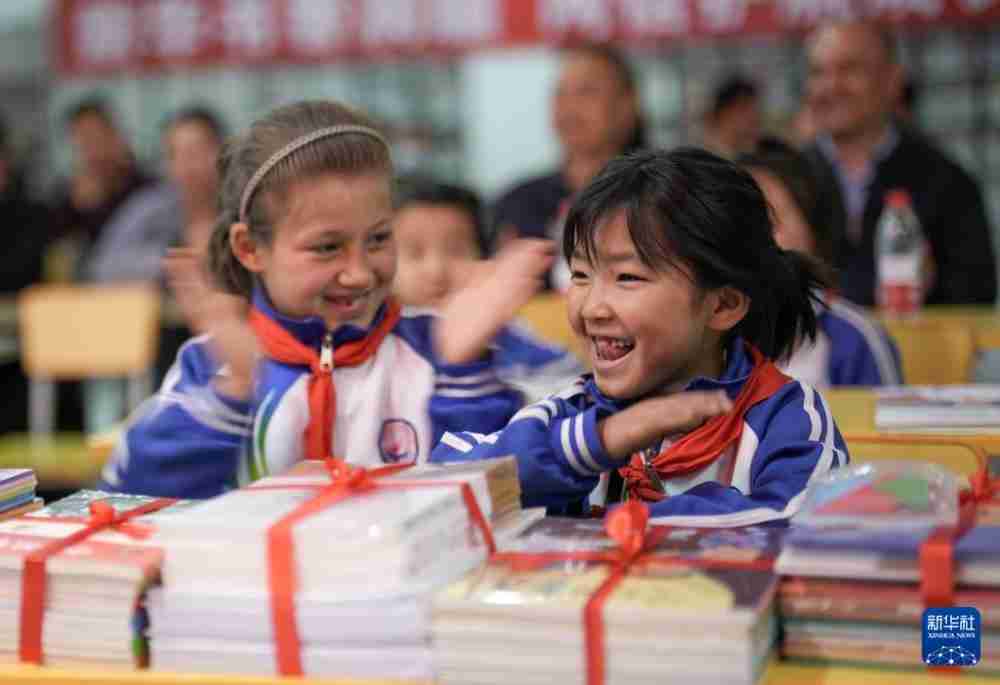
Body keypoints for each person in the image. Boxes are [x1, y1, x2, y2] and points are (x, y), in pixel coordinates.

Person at [99, 100, 539, 498]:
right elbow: (129, 496)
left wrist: (466, 376)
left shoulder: (450, 343)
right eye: (328, 247)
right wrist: (230, 397)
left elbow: (506, 498)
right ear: (250, 248)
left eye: (379, 239)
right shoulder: (213, 365)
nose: (360, 273)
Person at [432, 148, 848, 525]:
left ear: (722, 305)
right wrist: (599, 443)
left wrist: (615, 523)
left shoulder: (788, 418)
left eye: (627, 277)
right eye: (581, 275)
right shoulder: (577, 413)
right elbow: (449, 485)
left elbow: (794, 524)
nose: (592, 308)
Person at [803, 20, 996, 306]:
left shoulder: (947, 182)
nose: (831, 86)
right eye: (818, 72)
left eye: (849, 69)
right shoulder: (784, 181)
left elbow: (977, 296)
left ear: (892, 80)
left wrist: (931, 286)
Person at [393, 177, 583, 402]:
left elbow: (570, 387)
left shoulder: (507, 332)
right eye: (414, 252)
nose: (436, 270)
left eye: (456, 250)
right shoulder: (379, 341)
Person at [739, 137, 903, 387]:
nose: (750, 241)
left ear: (814, 232)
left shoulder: (857, 339)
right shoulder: (705, 340)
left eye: (768, 223)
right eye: (739, 225)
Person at [492, 42, 645, 290]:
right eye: (561, 93)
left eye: (587, 92)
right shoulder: (518, 203)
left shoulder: (658, 198)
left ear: (628, 104)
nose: (570, 107)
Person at [48, 96, 160, 281]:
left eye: (96, 137)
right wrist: (79, 208)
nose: (92, 149)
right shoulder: (68, 197)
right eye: (83, 141)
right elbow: (59, 252)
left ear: (116, 136)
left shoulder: (148, 188)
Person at [161, 106, 226, 254]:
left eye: (200, 151)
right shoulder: (149, 218)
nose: (192, 165)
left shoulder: (250, 215)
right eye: (181, 155)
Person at [700, 74, 762, 160]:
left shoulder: (741, 157)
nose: (754, 118)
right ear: (724, 112)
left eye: (754, 110)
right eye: (744, 109)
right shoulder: (705, 159)